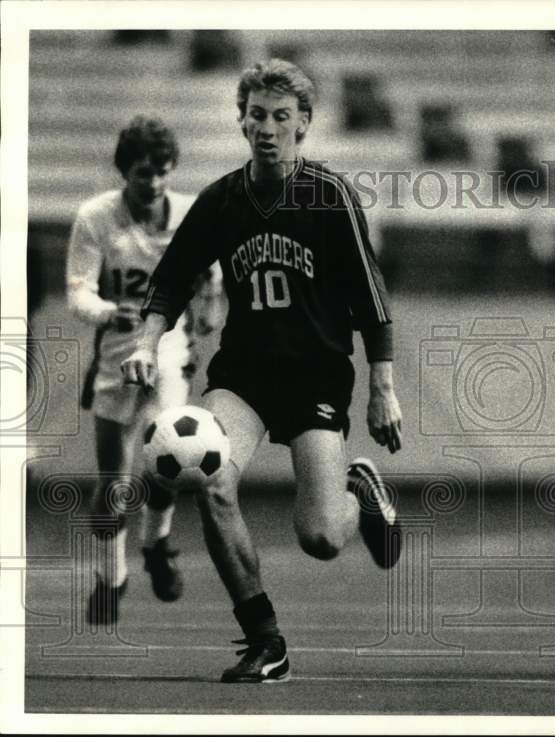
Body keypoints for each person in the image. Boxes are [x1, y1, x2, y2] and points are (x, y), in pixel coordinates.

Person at [121, 58, 403, 683]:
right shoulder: (223, 200)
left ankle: (358, 490)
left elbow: (371, 298)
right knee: (210, 478)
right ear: (240, 122)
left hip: (316, 378)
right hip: (243, 378)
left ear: (304, 123)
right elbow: (169, 282)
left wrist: (383, 387)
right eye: (256, 116)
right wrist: (145, 341)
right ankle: (264, 640)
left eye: (281, 117)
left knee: (324, 539)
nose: (267, 128)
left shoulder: (328, 196)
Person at [65, 115, 223, 625]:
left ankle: (156, 546)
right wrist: (111, 311)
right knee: (112, 480)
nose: (152, 183)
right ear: (123, 172)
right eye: (141, 172)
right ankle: (112, 577)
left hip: (169, 352)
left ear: (171, 170)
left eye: (161, 171)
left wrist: (208, 304)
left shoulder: (190, 214)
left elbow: (211, 280)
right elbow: (78, 290)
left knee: (167, 462)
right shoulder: (96, 217)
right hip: (116, 353)